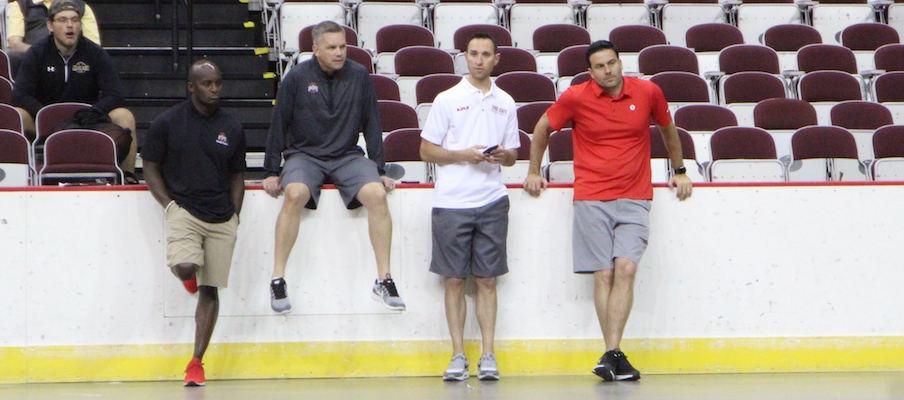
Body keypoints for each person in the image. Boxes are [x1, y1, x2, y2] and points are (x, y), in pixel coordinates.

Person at [523, 40, 693, 382]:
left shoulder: (648, 92)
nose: (608, 70)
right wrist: (533, 172)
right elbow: (542, 128)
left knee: (626, 269)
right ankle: (614, 352)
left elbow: (667, 129)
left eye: (612, 63)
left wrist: (679, 171)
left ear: (620, 62)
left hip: (635, 196)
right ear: (590, 71)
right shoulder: (575, 96)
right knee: (604, 275)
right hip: (591, 197)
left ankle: (611, 355)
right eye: (599, 66)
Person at [262, 20, 404, 314]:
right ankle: (277, 279)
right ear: (315, 49)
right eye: (332, 48)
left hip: (347, 156)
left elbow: (372, 124)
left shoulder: (360, 75)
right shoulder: (297, 77)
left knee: (377, 195)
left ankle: (384, 280)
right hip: (304, 155)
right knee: (295, 194)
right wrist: (271, 171)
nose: (339, 53)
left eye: (342, 47)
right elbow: (278, 124)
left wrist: (379, 168)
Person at [419, 32, 519, 381]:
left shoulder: (506, 101)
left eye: (485, 54)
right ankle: (458, 355)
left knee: (488, 281)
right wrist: (464, 155)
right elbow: (426, 150)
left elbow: (513, 155)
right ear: (464, 56)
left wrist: (504, 155)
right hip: (451, 203)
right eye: (473, 54)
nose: (479, 60)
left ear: (496, 59)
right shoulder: (446, 99)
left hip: (492, 200)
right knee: (454, 282)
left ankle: (488, 355)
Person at [141, 60, 246, 387]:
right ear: (191, 87)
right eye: (207, 84)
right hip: (184, 209)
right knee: (187, 267)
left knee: (210, 289)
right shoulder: (167, 123)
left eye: (218, 83)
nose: (214, 89)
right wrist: (169, 205)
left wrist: (235, 215)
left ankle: (196, 362)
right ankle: (187, 276)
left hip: (221, 215)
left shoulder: (232, 126)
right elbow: (149, 166)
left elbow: (238, 175)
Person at [11, 0, 138, 175]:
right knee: (17, 114)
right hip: (46, 119)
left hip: (88, 119)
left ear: (80, 25)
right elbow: (19, 95)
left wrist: (94, 111)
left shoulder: (96, 53)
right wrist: (45, 114)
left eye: (74, 20)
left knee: (125, 116)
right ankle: (22, 176)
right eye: (62, 20)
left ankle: (128, 176)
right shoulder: (36, 53)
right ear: (50, 25)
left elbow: (115, 95)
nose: (69, 25)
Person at [6, 0, 102, 75]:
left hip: (72, 57)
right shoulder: (21, 5)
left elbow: (94, 45)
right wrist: (42, 53)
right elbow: (14, 44)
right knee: (13, 56)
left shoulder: (81, 6)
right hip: (34, 59)